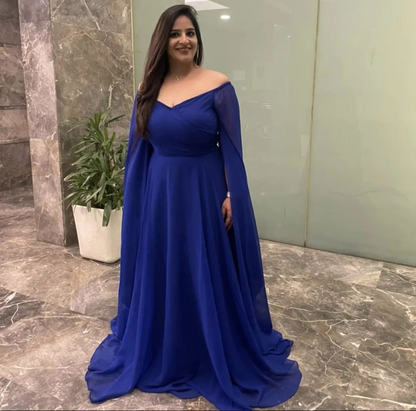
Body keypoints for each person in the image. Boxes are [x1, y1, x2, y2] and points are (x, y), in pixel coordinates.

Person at [85, 5, 301, 410]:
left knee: (205, 267)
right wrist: (139, 203)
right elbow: (139, 153)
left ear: (198, 40)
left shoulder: (218, 85)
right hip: (161, 196)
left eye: (190, 33)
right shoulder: (148, 89)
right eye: (175, 34)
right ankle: (165, 342)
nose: (184, 40)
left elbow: (232, 149)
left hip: (204, 192)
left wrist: (232, 194)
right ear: (163, 41)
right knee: (166, 265)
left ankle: (210, 343)